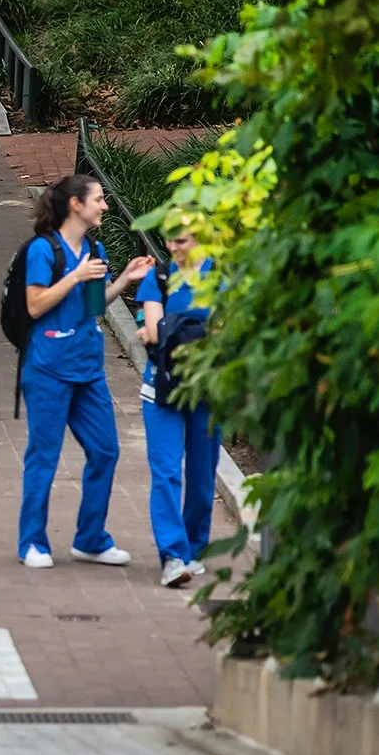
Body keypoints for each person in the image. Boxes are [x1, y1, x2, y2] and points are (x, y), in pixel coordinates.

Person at [16, 174, 155, 568]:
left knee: (105, 450)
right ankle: (32, 542)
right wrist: (75, 276)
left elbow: (94, 306)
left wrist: (124, 279)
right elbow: (35, 305)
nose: (105, 206)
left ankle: (90, 538)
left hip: (88, 368)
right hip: (48, 369)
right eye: (98, 199)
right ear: (76, 204)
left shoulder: (95, 249)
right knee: (44, 454)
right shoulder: (43, 251)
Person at [137, 222, 219, 588]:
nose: (173, 247)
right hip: (164, 386)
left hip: (208, 388)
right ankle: (172, 555)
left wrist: (174, 327)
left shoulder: (219, 275)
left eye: (181, 240)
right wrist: (195, 330)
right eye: (169, 239)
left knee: (202, 476)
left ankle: (194, 548)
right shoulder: (159, 275)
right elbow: (155, 332)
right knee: (167, 470)